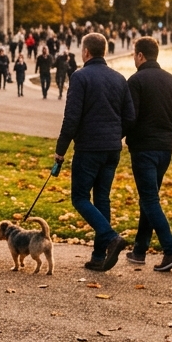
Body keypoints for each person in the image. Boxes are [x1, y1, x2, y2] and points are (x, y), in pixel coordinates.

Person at [55, 33, 134, 272]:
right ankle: (99, 255)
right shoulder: (119, 78)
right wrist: (115, 136)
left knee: (79, 197)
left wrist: (60, 151)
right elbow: (129, 117)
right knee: (102, 199)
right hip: (112, 148)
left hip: (89, 147)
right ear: (105, 51)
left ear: (86, 52)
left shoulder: (80, 77)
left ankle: (110, 238)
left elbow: (72, 118)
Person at [124, 37, 172, 271]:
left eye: (134, 54)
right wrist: (169, 132)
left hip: (144, 148)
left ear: (140, 56)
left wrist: (124, 134)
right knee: (148, 198)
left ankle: (170, 251)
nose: (133, 58)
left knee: (150, 199)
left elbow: (130, 117)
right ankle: (139, 250)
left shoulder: (136, 81)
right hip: (164, 148)